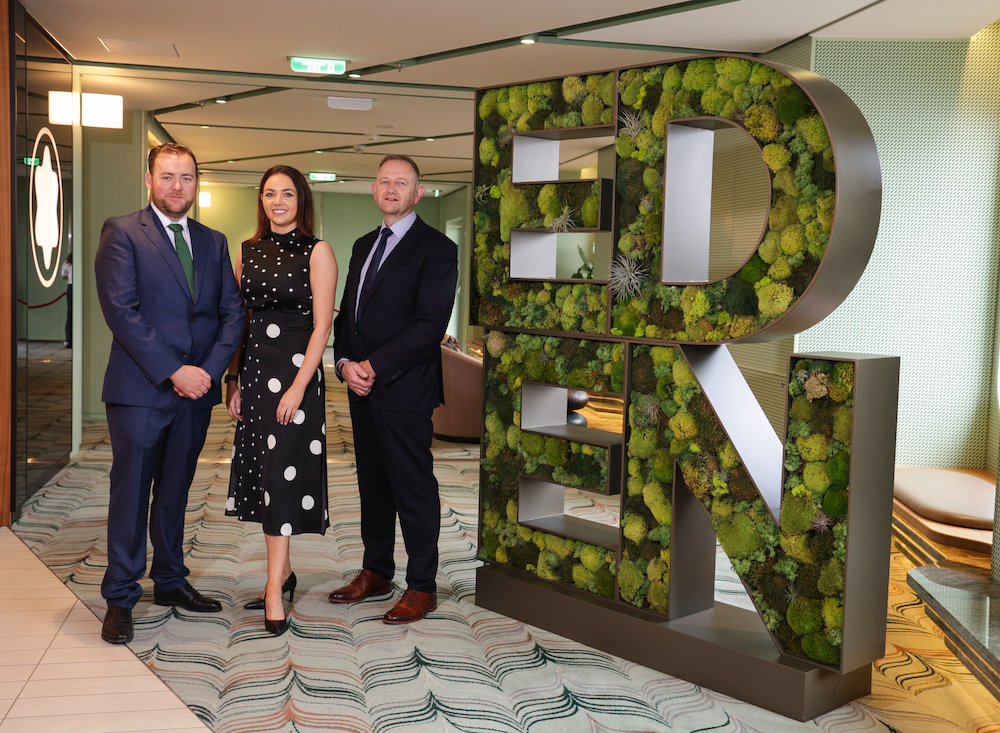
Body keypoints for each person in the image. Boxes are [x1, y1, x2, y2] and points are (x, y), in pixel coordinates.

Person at [95, 143, 245, 644]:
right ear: (149, 179)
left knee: (177, 490)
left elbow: (232, 314)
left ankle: (170, 581)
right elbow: (122, 311)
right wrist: (174, 370)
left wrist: (206, 372)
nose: (177, 186)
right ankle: (120, 596)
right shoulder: (122, 232)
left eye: (186, 177)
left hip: (195, 392)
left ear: (197, 183)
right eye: (167, 177)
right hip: (141, 390)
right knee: (132, 492)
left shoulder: (214, 241)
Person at [329, 154, 458, 624]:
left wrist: (374, 366)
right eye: (384, 182)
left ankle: (422, 585)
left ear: (417, 193)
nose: (391, 189)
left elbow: (428, 326)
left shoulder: (438, 249)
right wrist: (344, 363)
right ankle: (376, 570)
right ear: (373, 188)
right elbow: (349, 314)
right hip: (360, 389)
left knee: (414, 490)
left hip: (405, 388)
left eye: (401, 183)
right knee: (374, 486)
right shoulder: (364, 244)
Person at [224, 165, 337, 635]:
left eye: (286, 194)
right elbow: (239, 320)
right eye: (270, 194)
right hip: (254, 375)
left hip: (297, 380)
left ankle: (273, 589)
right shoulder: (246, 251)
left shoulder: (319, 251)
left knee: (283, 479)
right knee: (266, 478)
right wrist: (233, 381)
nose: (277, 202)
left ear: (301, 200)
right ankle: (284, 574)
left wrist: (297, 386)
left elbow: (322, 326)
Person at [60, 253, 72, 348]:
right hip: (78, 286)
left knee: (70, 315)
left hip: (71, 287)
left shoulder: (67, 262)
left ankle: (68, 341)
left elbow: (63, 276)